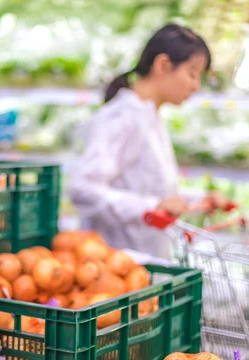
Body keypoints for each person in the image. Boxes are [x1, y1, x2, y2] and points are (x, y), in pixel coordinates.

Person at [69, 24, 229, 259]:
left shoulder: (150, 116)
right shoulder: (121, 116)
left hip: (145, 264)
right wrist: (150, 207)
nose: (196, 86)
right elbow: (83, 190)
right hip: (113, 267)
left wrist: (199, 199)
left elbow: (152, 191)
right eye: (192, 74)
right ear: (163, 65)